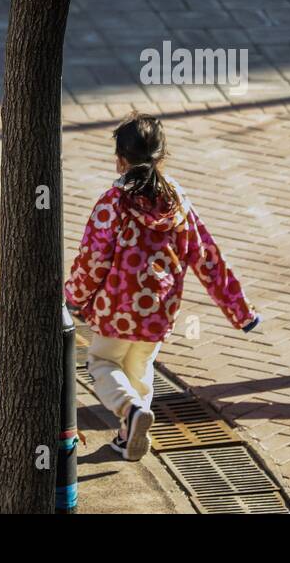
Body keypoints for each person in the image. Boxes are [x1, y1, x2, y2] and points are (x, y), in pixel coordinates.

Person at [66, 112, 261, 460]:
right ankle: (130, 436)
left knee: (101, 362)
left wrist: (73, 297)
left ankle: (129, 411)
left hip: (117, 306)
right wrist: (240, 312)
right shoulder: (177, 201)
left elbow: (93, 259)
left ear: (120, 159)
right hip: (159, 307)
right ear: (161, 156)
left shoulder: (114, 203)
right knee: (139, 368)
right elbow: (206, 256)